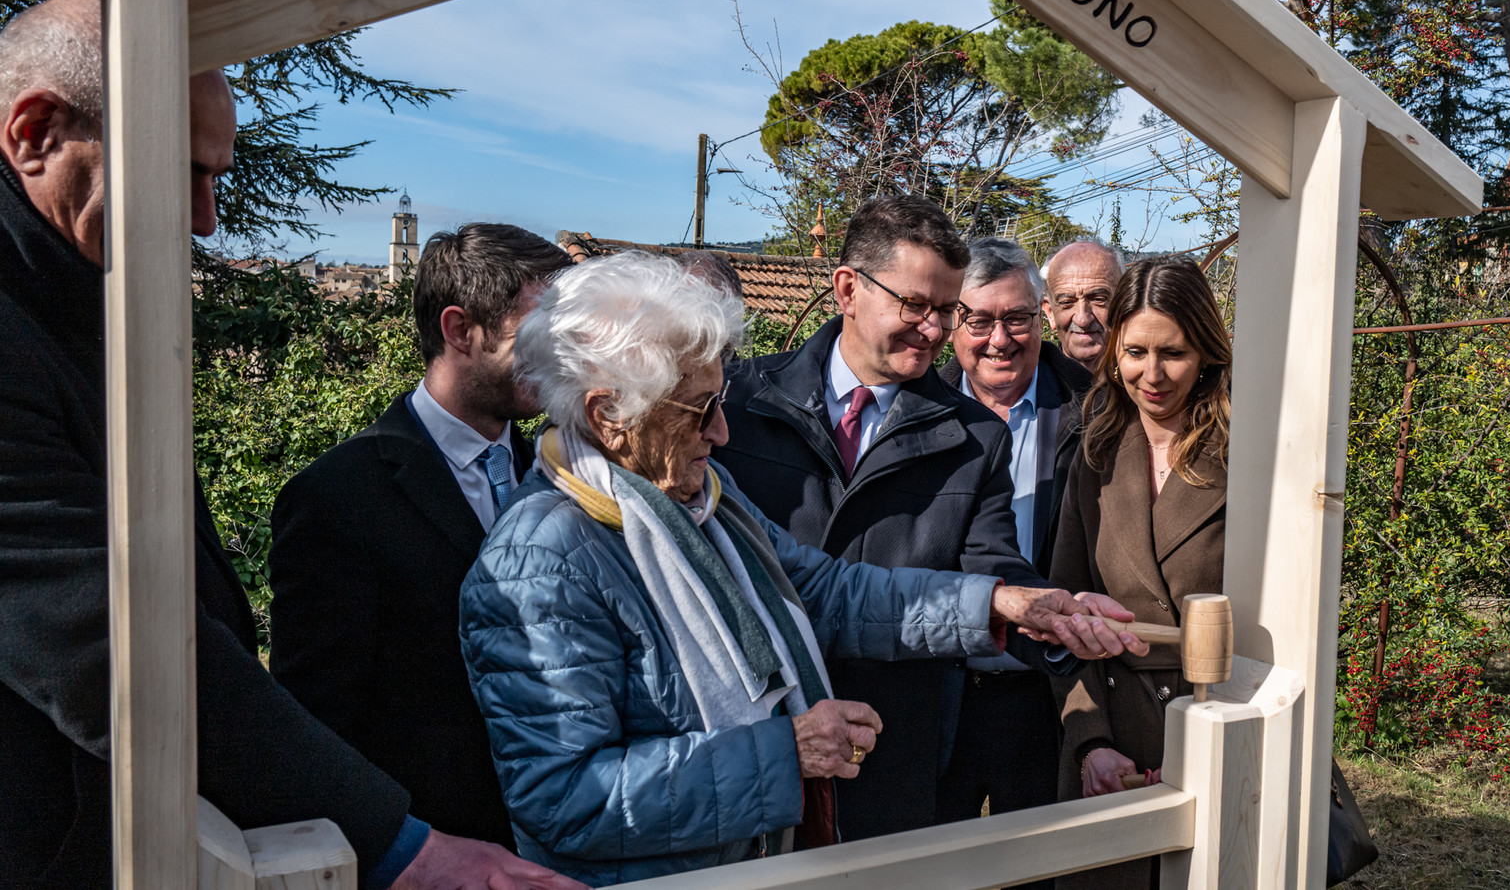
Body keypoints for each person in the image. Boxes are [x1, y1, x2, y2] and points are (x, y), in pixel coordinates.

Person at [0, 0, 582, 890]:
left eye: (218, 178)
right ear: (35, 133)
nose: (205, 219)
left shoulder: (71, 301)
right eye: (183, 171)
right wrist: (399, 847)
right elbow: (98, 640)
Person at [458, 252, 1147, 886]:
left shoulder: (701, 500)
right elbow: (566, 801)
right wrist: (782, 754)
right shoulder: (541, 561)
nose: (723, 431)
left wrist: (1001, 606)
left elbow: (825, 590)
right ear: (608, 415)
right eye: (700, 409)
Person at [713, 195, 1072, 842]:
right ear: (848, 288)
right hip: (747, 746)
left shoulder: (974, 439)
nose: (935, 330)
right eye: (916, 305)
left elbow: (992, 570)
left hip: (891, 760)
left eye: (946, 310)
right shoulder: (737, 404)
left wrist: (1049, 619)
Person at [270, 223, 571, 849]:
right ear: (460, 331)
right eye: (541, 335)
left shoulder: (566, 472)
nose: (561, 358)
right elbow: (320, 727)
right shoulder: (337, 499)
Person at [1048, 255, 1231, 890]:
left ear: (1207, 350)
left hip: (1216, 731)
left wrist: (1212, 749)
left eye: (1173, 353)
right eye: (1134, 352)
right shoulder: (1095, 453)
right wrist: (1091, 742)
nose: (1151, 375)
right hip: (1114, 745)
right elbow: (1065, 614)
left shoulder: (1250, 455)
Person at [934, 237, 1093, 862]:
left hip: (1045, 693)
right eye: (978, 319)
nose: (999, 339)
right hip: (939, 689)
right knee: (928, 868)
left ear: (1042, 317)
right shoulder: (919, 415)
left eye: (1017, 318)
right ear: (953, 326)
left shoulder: (1094, 412)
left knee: (1042, 868)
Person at [1042, 239, 1124, 369]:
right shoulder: (1032, 386)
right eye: (1067, 302)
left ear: (1122, 304)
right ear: (1050, 313)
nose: (1083, 320)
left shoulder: (1147, 381)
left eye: (1098, 300)